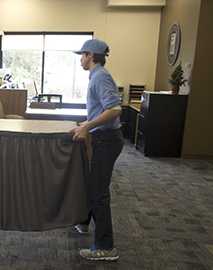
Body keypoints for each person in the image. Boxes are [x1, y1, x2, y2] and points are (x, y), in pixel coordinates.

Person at [69, 39, 123, 261]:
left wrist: (88, 126)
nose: (80, 59)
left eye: (82, 55)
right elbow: (102, 109)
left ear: (91, 54)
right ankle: (83, 222)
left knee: (99, 194)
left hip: (106, 141)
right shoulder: (97, 76)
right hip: (104, 138)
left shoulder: (100, 76)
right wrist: (86, 124)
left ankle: (106, 247)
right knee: (92, 186)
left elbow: (114, 110)